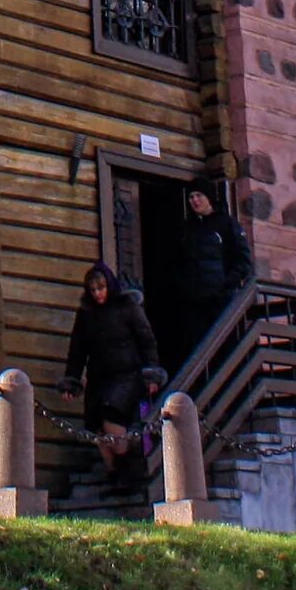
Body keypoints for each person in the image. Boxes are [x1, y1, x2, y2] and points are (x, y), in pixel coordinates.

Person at [59, 262, 160, 481]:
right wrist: (72, 380)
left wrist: (151, 374)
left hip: (127, 375)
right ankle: (115, 471)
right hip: (98, 377)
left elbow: (146, 341)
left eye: (101, 288)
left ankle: (127, 464)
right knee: (96, 426)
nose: (97, 294)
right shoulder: (86, 314)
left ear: (109, 286)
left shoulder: (127, 307)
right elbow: (77, 350)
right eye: (93, 290)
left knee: (110, 415)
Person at [156, 181, 253, 368]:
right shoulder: (186, 229)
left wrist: (226, 284)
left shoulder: (226, 224)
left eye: (199, 195)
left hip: (222, 302)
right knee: (198, 353)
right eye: (191, 197)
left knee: (225, 350)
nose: (194, 200)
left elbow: (243, 261)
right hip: (195, 304)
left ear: (209, 198)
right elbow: (176, 263)